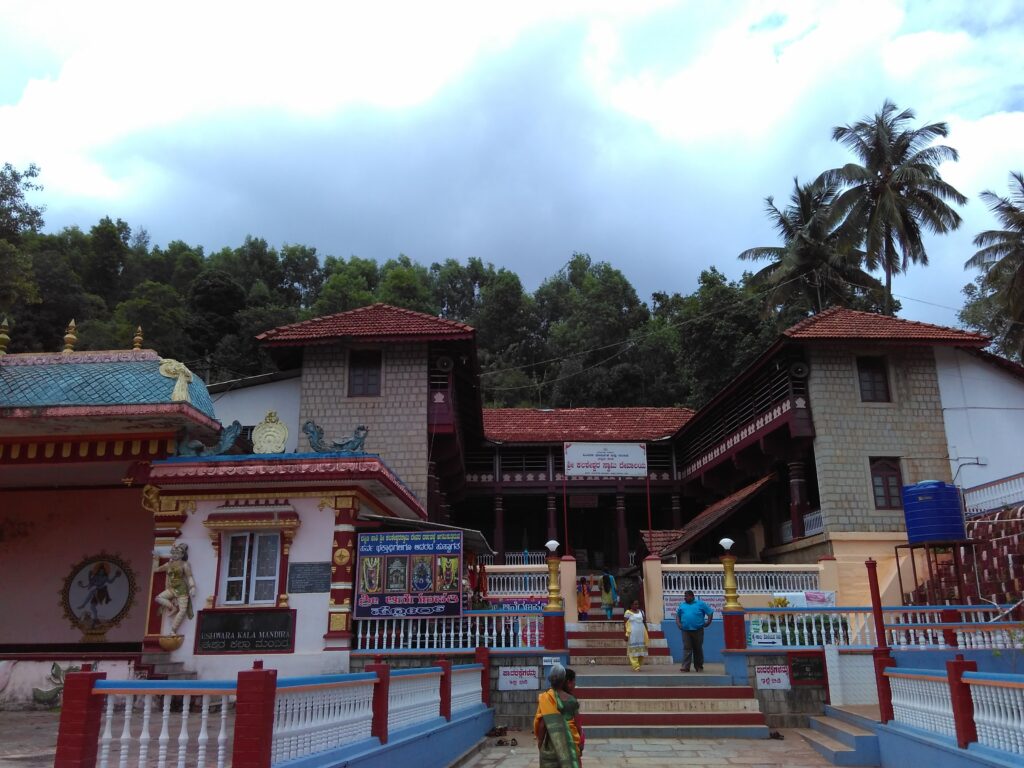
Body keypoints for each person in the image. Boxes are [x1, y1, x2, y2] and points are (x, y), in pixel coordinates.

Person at [534, 663, 582, 767]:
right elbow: (578, 726)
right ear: (563, 680)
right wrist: (580, 742)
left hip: (552, 743)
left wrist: (540, 743)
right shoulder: (572, 700)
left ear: (550, 679)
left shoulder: (546, 698)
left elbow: (542, 725)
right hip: (571, 744)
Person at [153, 542, 197, 635]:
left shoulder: (185, 564)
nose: (175, 555)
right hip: (172, 588)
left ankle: (173, 630)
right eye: (174, 553)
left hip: (182, 589)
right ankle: (172, 608)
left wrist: (192, 587)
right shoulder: (168, 564)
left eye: (178, 553)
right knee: (158, 598)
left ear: (182, 555)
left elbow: (189, 576)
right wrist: (156, 558)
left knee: (183, 610)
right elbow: (156, 569)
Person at [675, 589, 713, 672]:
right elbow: (678, 615)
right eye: (684, 596)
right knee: (687, 648)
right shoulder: (682, 605)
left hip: (698, 630)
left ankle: (699, 666)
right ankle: (685, 667)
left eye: (687, 596)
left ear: (692, 596)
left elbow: (710, 612)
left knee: (698, 648)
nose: (685, 598)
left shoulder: (700, 604)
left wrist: (708, 622)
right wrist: (678, 623)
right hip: (686, 630)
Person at [623, 600, 649, 671]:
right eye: (635, 604)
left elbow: (644, 622)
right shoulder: (628, 613)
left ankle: (639, 664)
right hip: (632, 635)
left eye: (637, 604)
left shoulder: (641, 612)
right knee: (633, 651)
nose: (636, 606)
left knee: (641, 651)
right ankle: (636, 666)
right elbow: (625, 624)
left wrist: (647, 631)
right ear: (631, 605)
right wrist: (625, 634)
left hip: (641, 634)